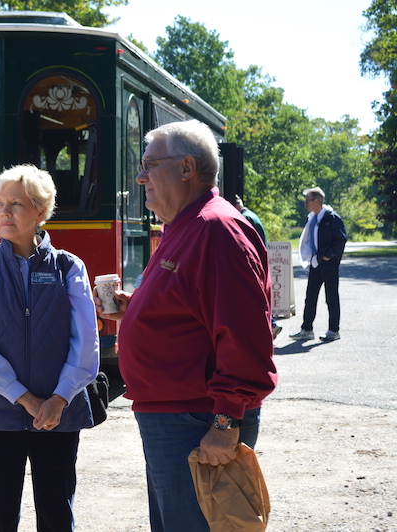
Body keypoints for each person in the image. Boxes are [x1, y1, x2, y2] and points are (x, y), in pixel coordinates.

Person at [96, 120, 277, 532]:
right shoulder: (186, 226)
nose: (140, 176)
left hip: (197, 422)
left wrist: (226, 422)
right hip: (179, 418)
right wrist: (137, 310)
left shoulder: (217, 229)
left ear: (186, 168)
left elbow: (246, 333)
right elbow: (194, 307)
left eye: (149, 165)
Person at [0, 163, 100, 531]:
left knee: (56, 516)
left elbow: (85, 342)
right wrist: (25, 398)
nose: (4, 212)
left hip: (58, 414)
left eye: (15, 204)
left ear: (40, 210)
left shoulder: (69, 267)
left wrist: (59, 398)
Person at [289, 187, 347, 342]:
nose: (305, 204)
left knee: (331, 298)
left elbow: (340, 240)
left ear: (316, 201)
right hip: (315, 263)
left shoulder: (332, 218)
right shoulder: (313, 219)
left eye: (307, 201)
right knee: (310, 297)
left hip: (329, 264)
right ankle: (306, 329)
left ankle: (333, 331)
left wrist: (328, 256)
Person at [235, 194, 282, 339]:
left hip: (255, 261)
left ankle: (271, 325)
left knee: (256, 296)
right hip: (261, 258)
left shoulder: (246, 218)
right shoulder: (251, 215)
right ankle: (271, 324)